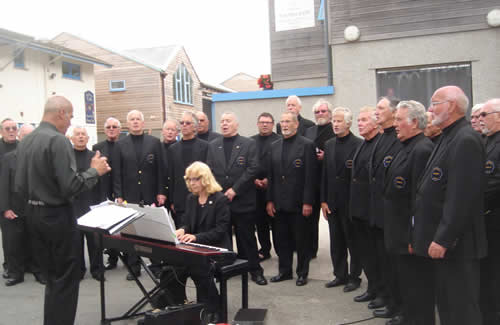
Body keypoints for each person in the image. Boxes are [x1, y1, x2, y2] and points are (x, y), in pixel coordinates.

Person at [14, 96, 110, 325]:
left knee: (52, 280)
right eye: (70, 115)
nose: (70, 121)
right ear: (60, 113)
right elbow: (70, 187)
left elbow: (18, 184)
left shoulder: (26, 141)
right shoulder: (57, 141)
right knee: (66, 281)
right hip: (56, 217)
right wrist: (94, 171)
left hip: (33, 215)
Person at [413, 86, 487, 325]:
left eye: (435, 103)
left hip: (457, 245)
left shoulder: (465, 139)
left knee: (461, 308)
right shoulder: (448, 136)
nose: (430, 109)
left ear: (452, 105)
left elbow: (461, 197)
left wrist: (444, 238)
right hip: (445, 242)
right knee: (447, 306)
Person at [155, 161, 231, 323]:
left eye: (195, 179)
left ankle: (211, 309)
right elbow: (188, 223)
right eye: (189, 179)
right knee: (172, 267)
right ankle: (175, 306)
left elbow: (220, 231)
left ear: (205, 179)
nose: (191, 183)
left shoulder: (220, 199)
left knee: (198, 267)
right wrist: (182, 229)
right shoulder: (191, 198)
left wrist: (196, 237)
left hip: (217, 249)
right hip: (196, 247)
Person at [384, 101, 434, 325]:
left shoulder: (422, 149)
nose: (394, 124)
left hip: (409, 235)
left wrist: (415, 236)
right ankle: (408, 317)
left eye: (399, 120)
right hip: (398, 230)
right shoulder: (405, 146)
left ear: (414, 122)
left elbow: (419, 199)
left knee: (417, 287)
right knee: (406, 283)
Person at [208, 111, 267, 286]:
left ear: (236, 124)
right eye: (222, 121)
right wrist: (219, 192)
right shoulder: (213, 145)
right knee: (223, 238)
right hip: (221, 200)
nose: (224, 124)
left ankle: (255, 271)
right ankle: (225, 271)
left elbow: (253, 169)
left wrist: (235, 189)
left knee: (246, 238)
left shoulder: (249, 144)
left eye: (228, 121)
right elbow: (209, 171)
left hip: (242, 200)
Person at [113, 109, 166, 280]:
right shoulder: (120, 144)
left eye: (138, 119)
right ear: (128, 123)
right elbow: (117, 173)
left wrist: (161, 192)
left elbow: (160, 170)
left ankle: (156, 265)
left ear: (143, 123)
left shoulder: (154, 142)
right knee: (131, 233)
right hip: (130, 194)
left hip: (150, 193)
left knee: (153, 231)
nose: (135, 122)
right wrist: (119, 195)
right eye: (132, 119)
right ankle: (133, 267)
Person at [266, 111, 316, 286]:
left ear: (296, 125)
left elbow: (311, 177)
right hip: (279, 203)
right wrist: (270, 200)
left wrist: (308, 202)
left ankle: (302, 273)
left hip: (299, 203)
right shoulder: (274, 145)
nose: (284, 125)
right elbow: (271, 176)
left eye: (288, 121)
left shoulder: (307, 145)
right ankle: (284, 271)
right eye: (282, 121)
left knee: (301, 240)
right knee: (281, 239)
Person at [368, 97, 404, 319]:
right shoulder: (381, 137)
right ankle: (390, 302)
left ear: (394, 112)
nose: (376, 111)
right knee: (383, 262)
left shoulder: (399, 139)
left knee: (395, 266)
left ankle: (399, 307)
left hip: (392, 213)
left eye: (380, 108)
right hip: (378, 212)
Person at [321, 107, 362, 292]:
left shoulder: (359, 144)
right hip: (332, 202)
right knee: (336, 242)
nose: (335, 124)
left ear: (348, 123)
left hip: (351, 202)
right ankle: (340, 274)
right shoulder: (328, 144)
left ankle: (355, 277)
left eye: (339, 121)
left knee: (353, 242)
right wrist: (323, 200)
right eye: (334, 121)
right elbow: (325, 175)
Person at [349, 106, 383, 304]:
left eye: (364, 120)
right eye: (358, 120)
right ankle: (372, 288)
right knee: (366, 255)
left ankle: (382, 291)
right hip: (359, 211)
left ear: (376, 123)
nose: (359, 124)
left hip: (372, 212)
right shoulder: (362, 145)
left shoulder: (380, 144)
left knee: (378, 256)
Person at [0, 124, 40, 286]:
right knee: (13, 243)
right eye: (25, 136)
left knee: (37, 242)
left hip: (35, 207)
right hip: (14, 208)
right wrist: (6, 208)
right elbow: (3, 185)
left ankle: (39, 272)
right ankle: (16, 274)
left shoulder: (40, 157)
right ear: (20, 138)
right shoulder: (9, 158)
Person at [478, 98, 500, 325]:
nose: (480, 119)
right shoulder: (485, 141)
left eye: (485, 114)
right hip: (485, 221)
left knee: (493, 276)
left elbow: (493, 183)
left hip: (495, 219)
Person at [304, 99, 335, 258]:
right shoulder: (309, 130)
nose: (320, 114)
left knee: (332, 219)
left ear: (330, 113)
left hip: (328, 180)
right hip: (311, 179)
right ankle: (310, 249)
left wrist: (326, 156)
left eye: (323, 111)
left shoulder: (334, 129)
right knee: (310, 218)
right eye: (317, 112)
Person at [168, 112, 210, 225]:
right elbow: (171, 176)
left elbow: (208, 175)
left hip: (200, 199)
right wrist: (172, 200)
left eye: (188, 123)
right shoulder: (173, 148)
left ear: (195, 126)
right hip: (180, 201)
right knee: (182, 236)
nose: (184, 125)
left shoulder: (205, 146)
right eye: (182, 123)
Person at [71, 126, 101, 281]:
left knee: (94, 241)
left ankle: (97, 270)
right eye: (78, 134)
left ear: (88, 139)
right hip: (73, 204)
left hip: (92, 204)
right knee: (75, 241)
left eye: (83, 134)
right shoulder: (67, 156)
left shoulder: (94, 157)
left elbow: (101, 180)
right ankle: (79, 270)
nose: (81, 137)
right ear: (72, 138)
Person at [92, 117, 121, 270]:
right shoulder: (97, 147)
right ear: (104, 130)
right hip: (102, 191)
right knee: (105, 227)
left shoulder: (123, 146)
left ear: (119, 129)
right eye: (108, 126)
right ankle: (112, 257)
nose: (111, 129)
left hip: (120, 190)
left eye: (114, 126)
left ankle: (129, 259)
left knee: (121, 227)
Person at [251, 112, 280, 261]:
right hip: (255, 189)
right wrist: (254, 179)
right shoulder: (250, 142)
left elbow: (282, 166)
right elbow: (247, 165)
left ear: (273, 124)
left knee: (276, 222)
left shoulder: (280, 141)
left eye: (268, 122)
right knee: (260, 221)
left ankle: (281, 251)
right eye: (262, 122)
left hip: (274, 188)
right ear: (257, 124)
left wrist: (269, 179)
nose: (264, 124)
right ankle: (265, 249)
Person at [0, 118, 19, 278]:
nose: (11, 131)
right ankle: (10, 266)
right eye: (7, 128)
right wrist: (4, 206)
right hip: (4, 199)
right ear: (1, 131)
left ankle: (25, 265)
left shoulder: (23, 148)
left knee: (27, 236)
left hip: (22, 201)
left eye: (14, 128)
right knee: (9, 239)